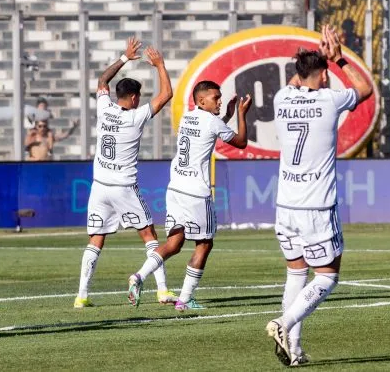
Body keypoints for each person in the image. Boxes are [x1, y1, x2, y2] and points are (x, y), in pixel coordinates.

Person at [265, 26, 373, 366]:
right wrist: (337, 56)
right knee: (326, 276)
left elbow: (298, 80)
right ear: (324, 74)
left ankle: (294, 351)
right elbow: (365, 89)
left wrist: (310, 60)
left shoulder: (281, 98)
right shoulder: (329, 100)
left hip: (285, 205)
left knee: (296, 273)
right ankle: (283, 324)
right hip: (317, 206)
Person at [127, 83, 250, 310]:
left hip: (175, 188)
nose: (220, 101)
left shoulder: (187, 118)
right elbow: (241, 142)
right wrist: (241, 114)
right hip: (196, 191)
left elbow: (209, 132)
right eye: (216, 98)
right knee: (204, 244)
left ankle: (139, 276)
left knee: (174, 243)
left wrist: (228, 114)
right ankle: (185, 299)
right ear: (201, 101)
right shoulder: (211, 122)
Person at [75, 37, 175, 309]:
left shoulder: (104, 109)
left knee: (96, 239)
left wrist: (124, 58)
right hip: (123, 187)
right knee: (150, 236)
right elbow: (166, 95)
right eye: (139, 97)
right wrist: (160, 66)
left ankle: (81, 295)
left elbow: (101, 81)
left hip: (99, 186)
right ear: (133, 98)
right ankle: (163, 291)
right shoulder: (135, 116)